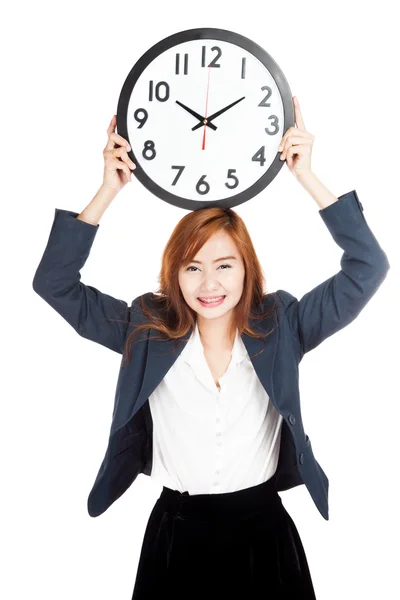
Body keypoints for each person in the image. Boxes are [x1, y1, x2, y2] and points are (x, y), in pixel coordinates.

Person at [32, 99, 390, 600]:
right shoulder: (146, 327)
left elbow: (367, 267)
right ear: (174, 274)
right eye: (192, 267)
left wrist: (307, 176)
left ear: (247, 269)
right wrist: (107, 190)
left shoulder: (284, 324)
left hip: (263, 530)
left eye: (224, 265)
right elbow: (55, 283)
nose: (209, 283)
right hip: (177, 532)